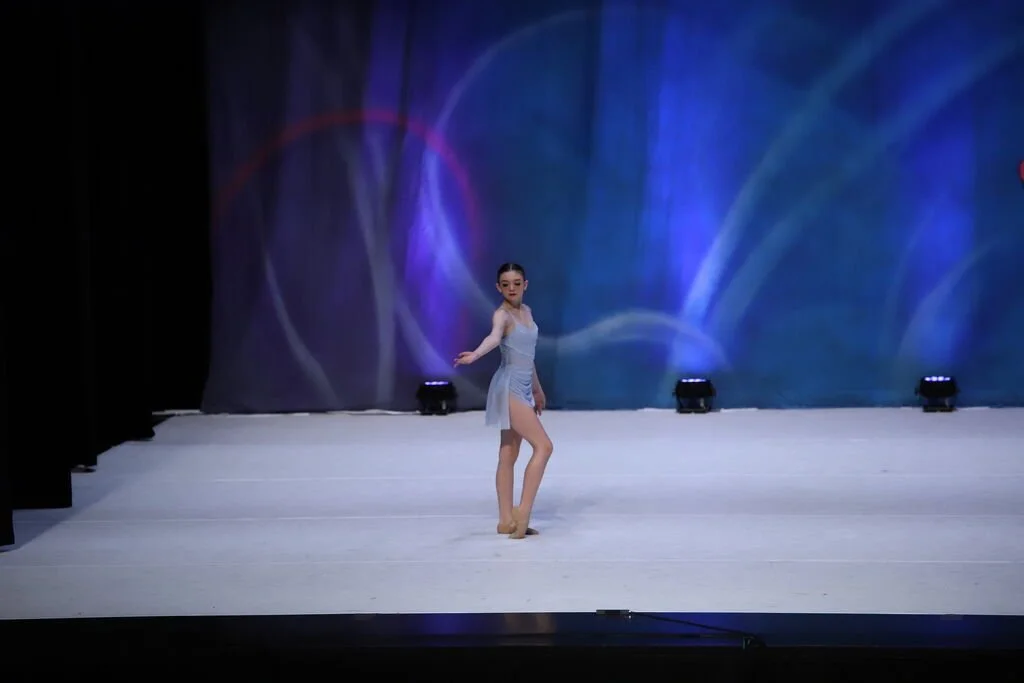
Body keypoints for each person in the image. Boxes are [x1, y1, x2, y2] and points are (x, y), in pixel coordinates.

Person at [454, 263, 554, 539]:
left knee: (508, 453)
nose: (512, 288)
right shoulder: (502, 315)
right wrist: (475, 354)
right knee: (544, 447)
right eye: (506, 284)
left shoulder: (528, 313)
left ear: (525, 284)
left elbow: (528, 356)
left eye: (516, 282)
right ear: (498, 287)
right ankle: (522, 511)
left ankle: (505, 521)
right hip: (508, 386)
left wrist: (537, 389)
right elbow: (494, 338)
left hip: (523, 385)